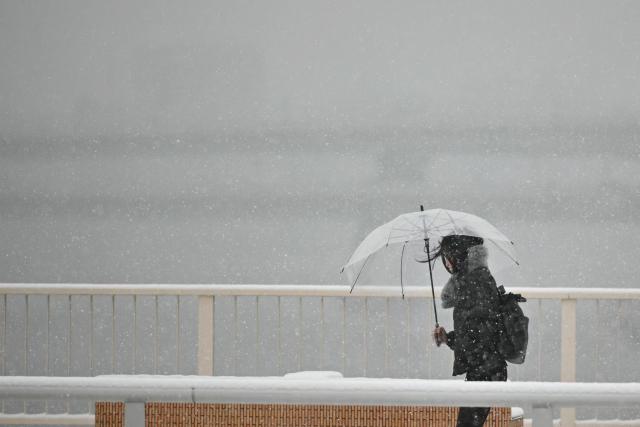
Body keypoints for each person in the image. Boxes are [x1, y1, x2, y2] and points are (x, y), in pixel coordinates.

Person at [432, 234, 506, 427]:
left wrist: (453, 341)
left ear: (458, 255)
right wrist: (447, 338)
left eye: (447, 257)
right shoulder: (472, 281)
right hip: (484, 369)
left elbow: (482, 333)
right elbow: (473, 331)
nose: (446, 263)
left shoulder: (475, 283)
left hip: (485, 371)